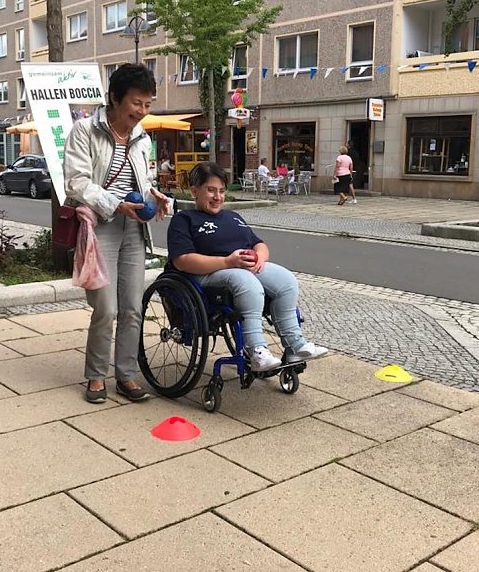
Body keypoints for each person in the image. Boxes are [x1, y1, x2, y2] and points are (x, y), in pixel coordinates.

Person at [64, 63, 171, 404]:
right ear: (113, 98)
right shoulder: (84, 131)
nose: (141, 112)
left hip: (133, 229)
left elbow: (144, 180)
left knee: (132, 308)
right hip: (101, 228)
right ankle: (96, 375)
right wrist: (115, 203)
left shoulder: (142, 139)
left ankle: (126, 375)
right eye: (136, 103)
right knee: (106, 308)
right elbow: (76, 181)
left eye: (148, 105)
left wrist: (154, 194)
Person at [168, 162, 328, 371]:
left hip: (242, 267)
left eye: (222, 191)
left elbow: (258, 243)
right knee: (246, 282)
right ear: (195, 191)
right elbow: (182, 260)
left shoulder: (233, 217)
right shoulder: (184, 219)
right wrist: (228, 262)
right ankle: (256, 350)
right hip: (205, 275)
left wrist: (260, 257)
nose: (218, 197)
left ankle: (295, 344)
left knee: (286, 281)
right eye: (211, 190)